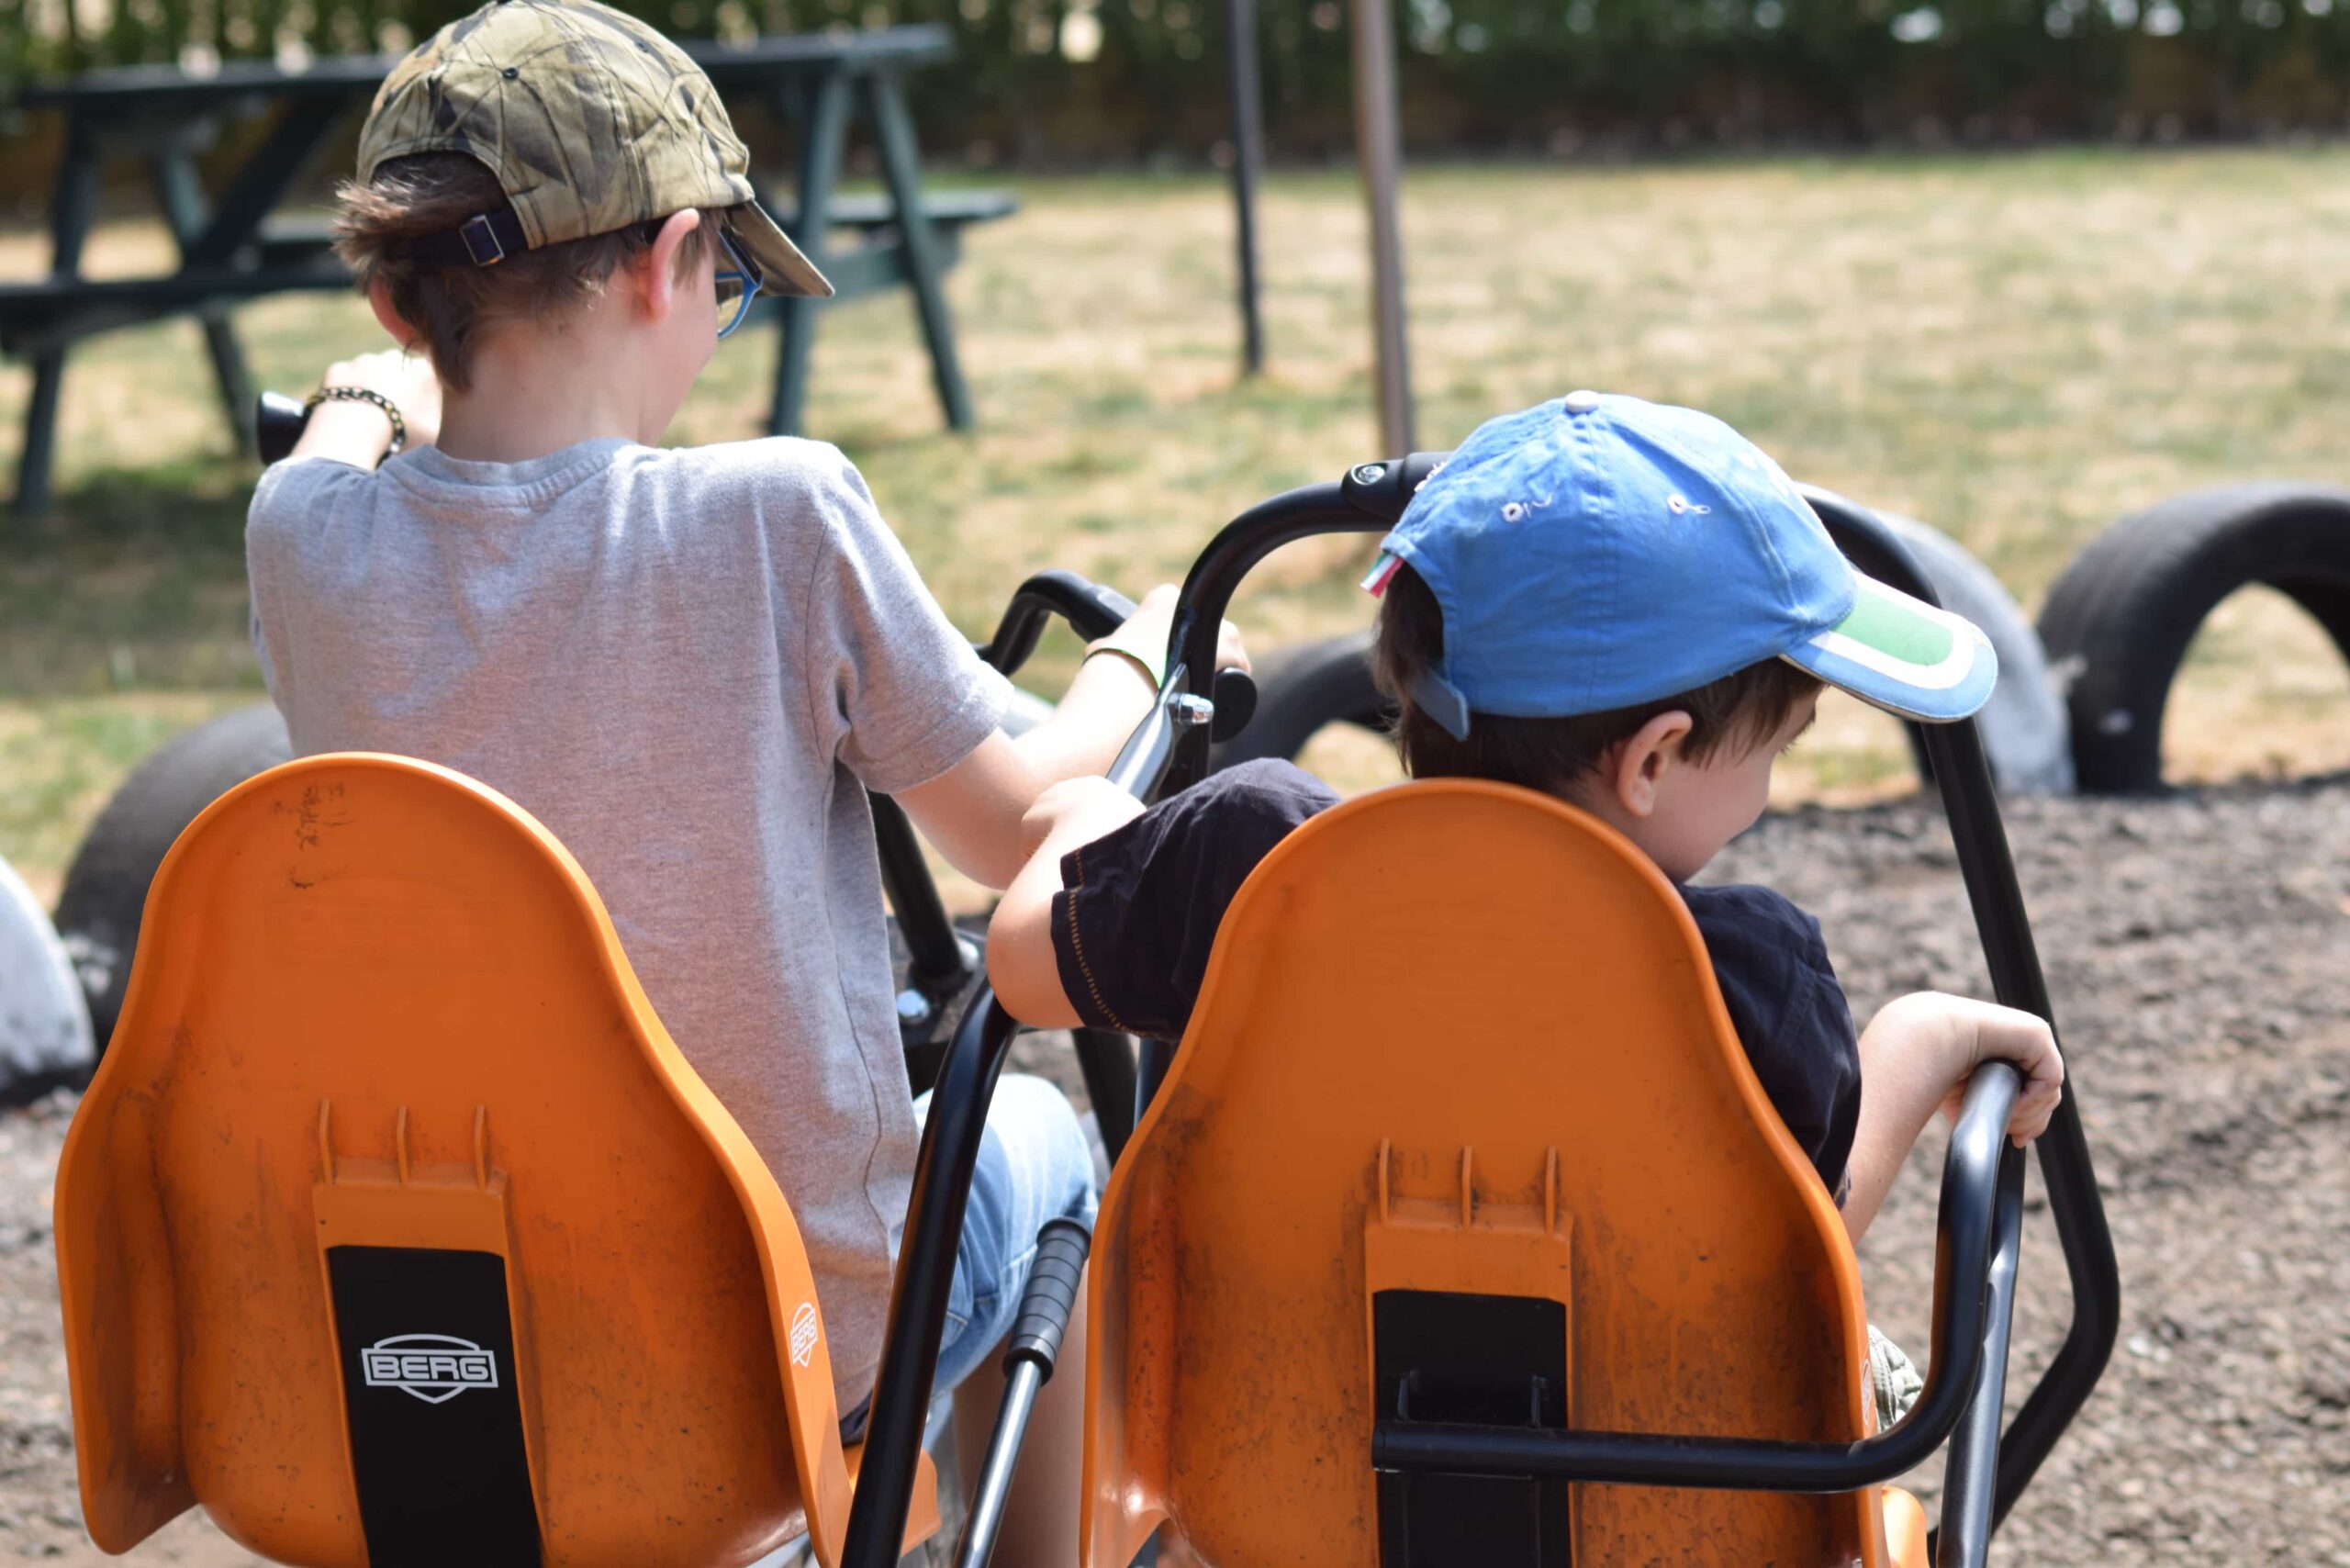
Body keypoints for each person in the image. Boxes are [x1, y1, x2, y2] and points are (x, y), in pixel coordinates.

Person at [243, 3, 1235, 1554]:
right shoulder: (772, 514)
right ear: (671, 257)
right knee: (1042, 1143)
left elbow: (332, 436)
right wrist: (1148, 647)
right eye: (729, 285)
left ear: (392, 298)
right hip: (782, 1343)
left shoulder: (306, 547)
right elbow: (1015, 814)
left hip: (440, 1322)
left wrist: (381, 401)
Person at [989, 392, 2066, 1260]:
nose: (1769, 791)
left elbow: (1020, 966)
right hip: (1652, 1501)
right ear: (1650, 760)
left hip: (1266, 1475)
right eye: (1774, 753)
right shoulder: (1741, 978)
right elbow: (1804, 1246)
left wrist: (1083, 813)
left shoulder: (1247, 860)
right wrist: (1919, 1036)